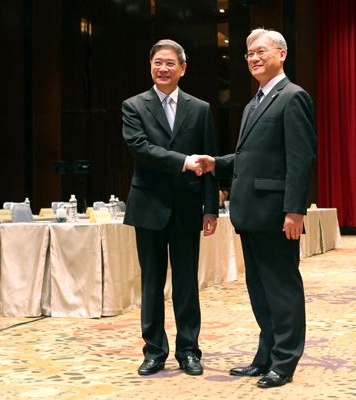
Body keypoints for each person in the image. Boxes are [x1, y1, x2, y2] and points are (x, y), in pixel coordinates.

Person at [197, 28, 316, 388]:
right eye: (249, 53)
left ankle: (285, 361)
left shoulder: (293, 97)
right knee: (260, 291)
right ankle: (266, 356)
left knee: (281, 289)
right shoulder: (253, 104)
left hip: (277, 214)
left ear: (282, 54)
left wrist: (294, 210)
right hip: (250, 214)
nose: (253, 58)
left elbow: (301, 158)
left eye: (261, 51)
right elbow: (249, 158)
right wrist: (217, 163)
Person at [121, 39, 219, 376]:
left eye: (170, 63)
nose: (163, 69)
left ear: (183, 68)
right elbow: (140, 148)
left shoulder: (200, 108)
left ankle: (189, 350)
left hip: (187, 207)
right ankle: (154, 351)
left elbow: (209, 161)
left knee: (187, 282)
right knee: (151, 282)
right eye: (157, 63)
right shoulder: (134, 106)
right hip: (148, 205)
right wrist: (183, 162)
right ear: (150, 66)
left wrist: (210, 208)